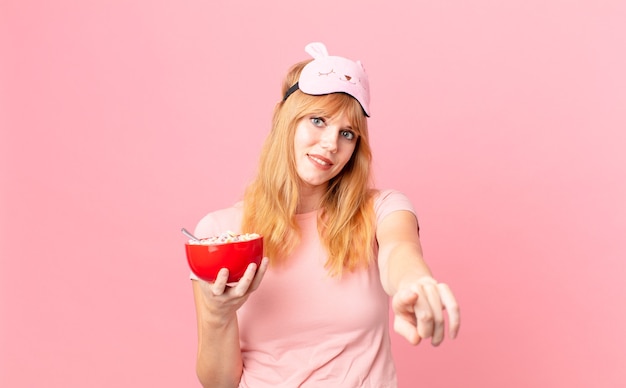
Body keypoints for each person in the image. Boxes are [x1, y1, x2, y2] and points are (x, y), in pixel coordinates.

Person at [189, 42, 461, 388]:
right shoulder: (219, 231)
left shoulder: (382, 210)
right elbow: (219, 383)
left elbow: (400, 251)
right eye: (318, 121)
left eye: (346, 134)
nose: (331, 144)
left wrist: (415, 283)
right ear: (284, 120)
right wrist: (219, 314)